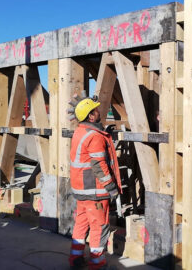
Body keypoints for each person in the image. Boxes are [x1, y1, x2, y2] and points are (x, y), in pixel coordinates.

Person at [68, 97, 121, 270]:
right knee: (99, 226)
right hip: (95, 190)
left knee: (81, 223)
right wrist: (111, 188)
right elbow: (99, 165)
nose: (99, 111)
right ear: (91, 117)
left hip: (81, 190)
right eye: (96, 110)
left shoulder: (80, 131)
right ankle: (96, 264)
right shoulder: (95, 136)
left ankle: (75, 259)